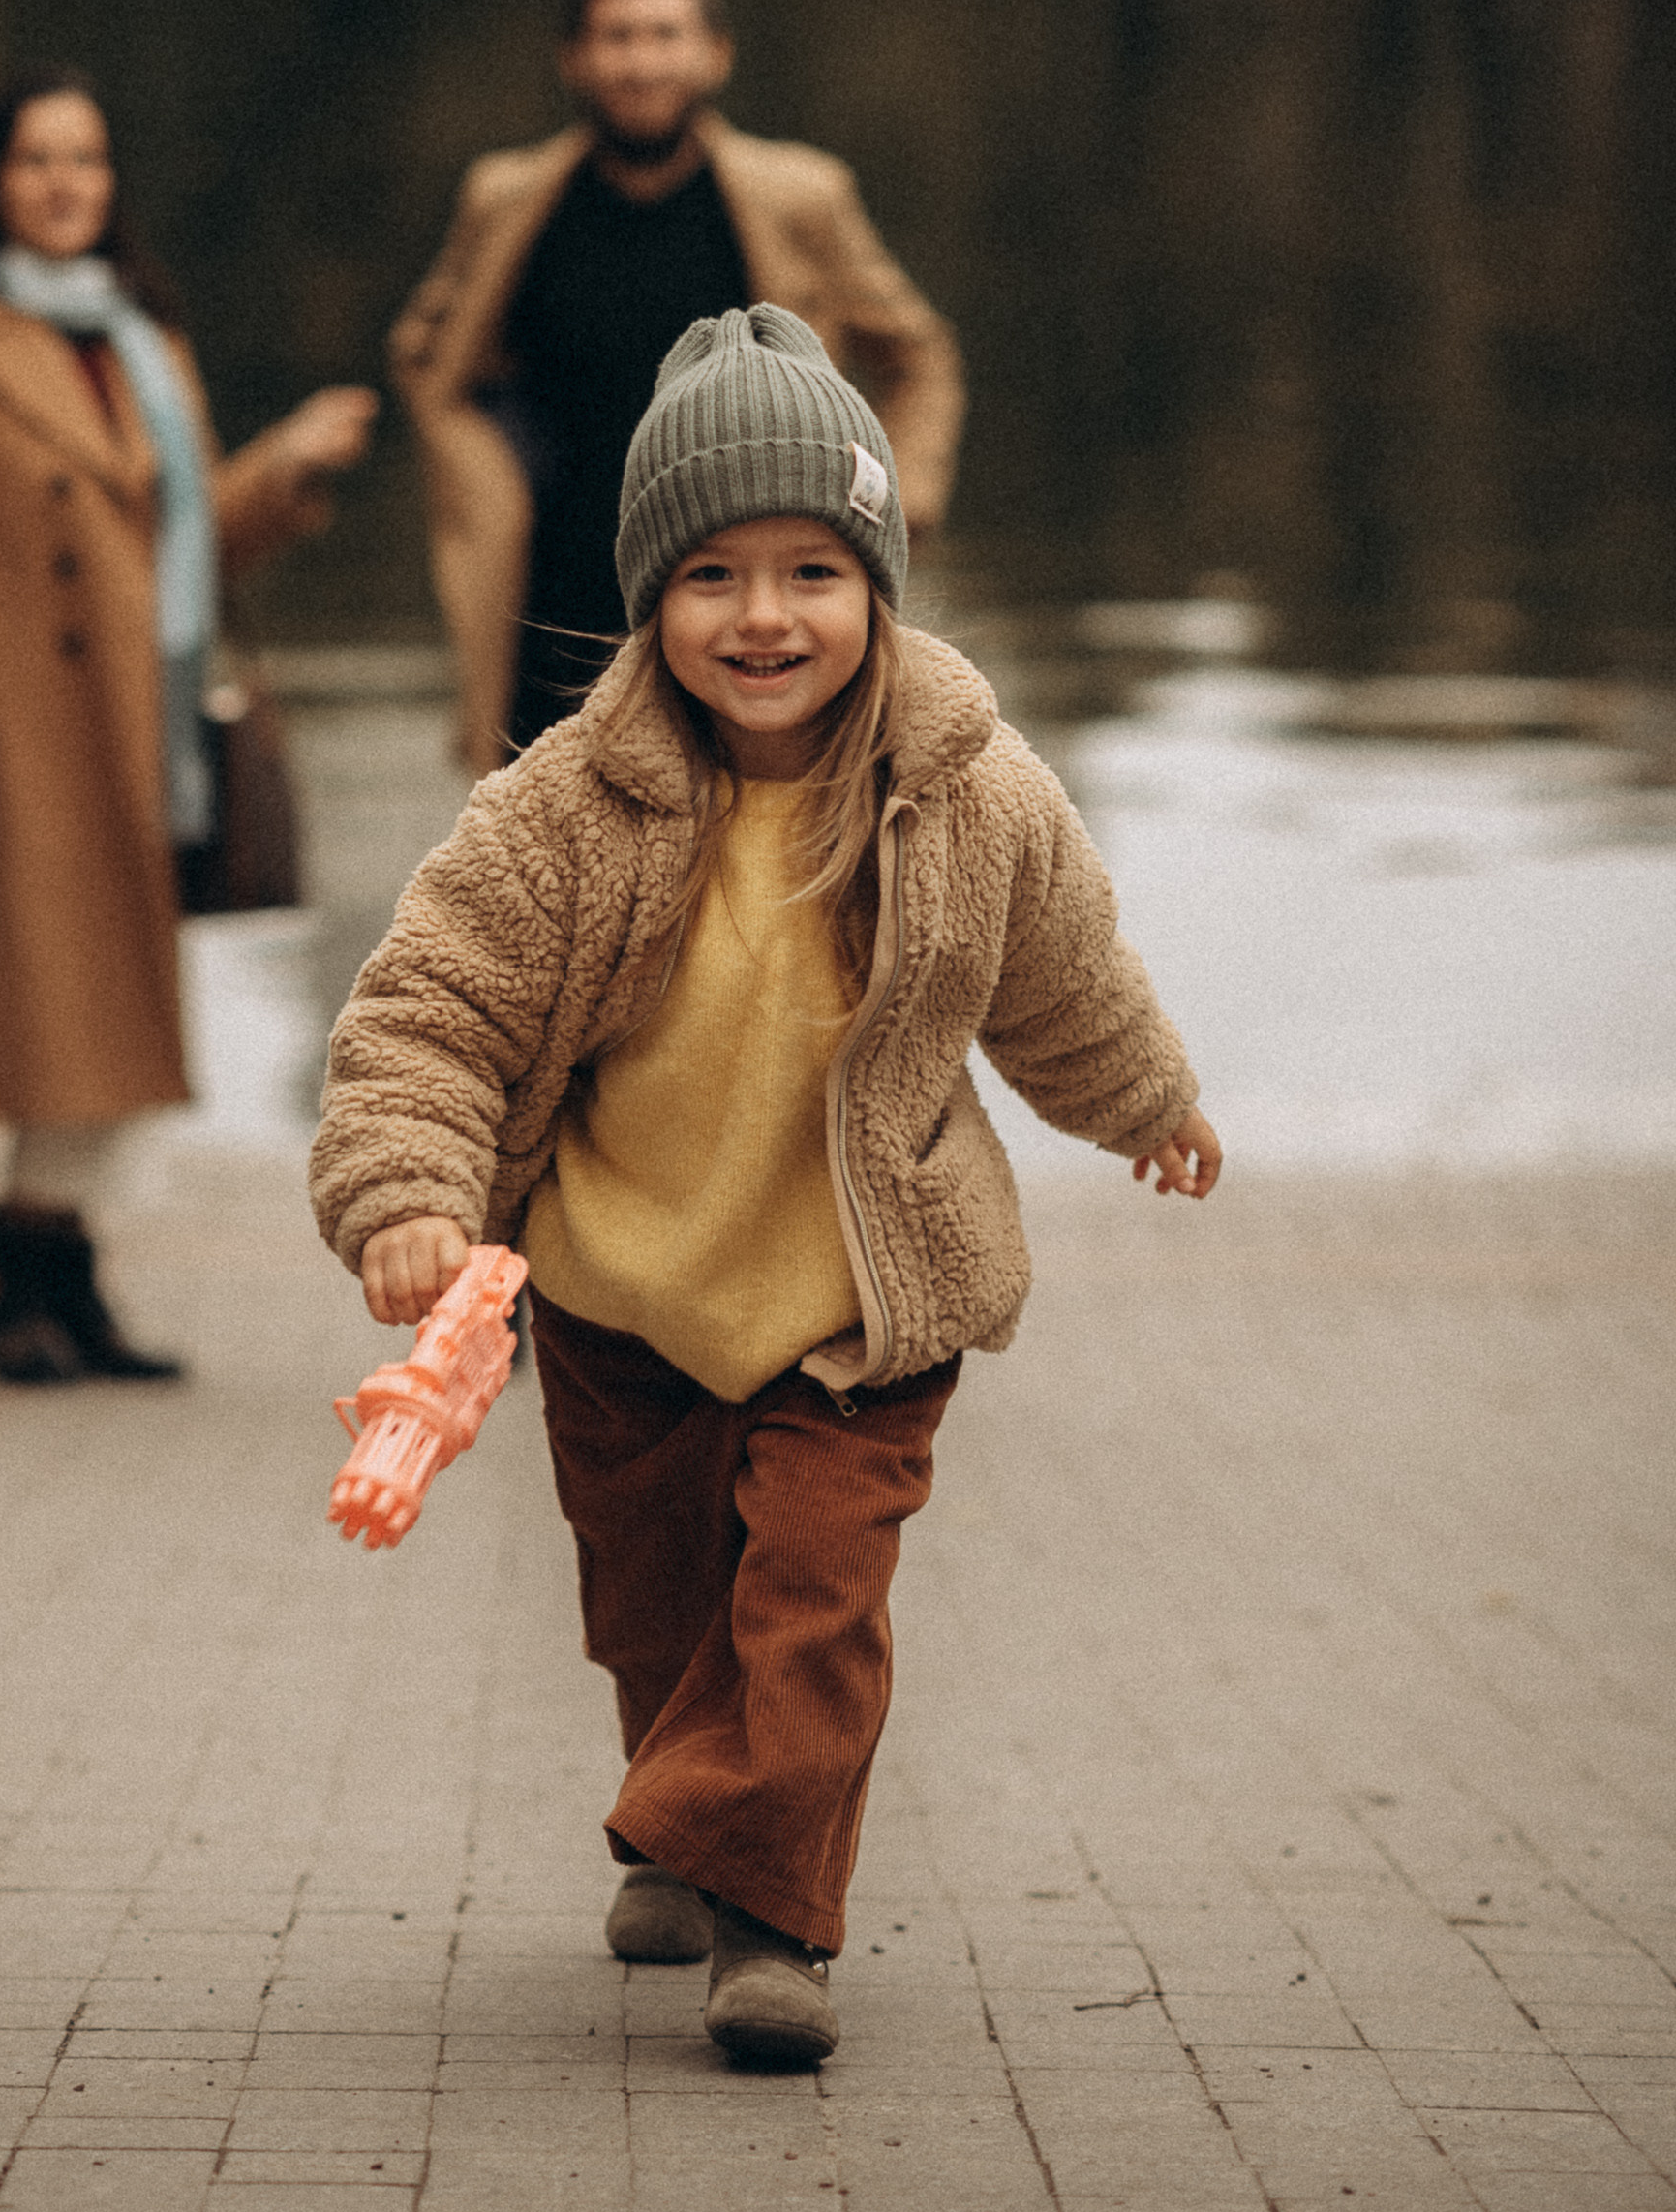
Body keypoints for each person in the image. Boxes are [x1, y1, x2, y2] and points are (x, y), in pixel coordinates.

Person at [311, 306, 1218, 2069]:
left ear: (878, 581)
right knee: (656, 1608)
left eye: (813, 568)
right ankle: (681, 1799)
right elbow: (427, 1012)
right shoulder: (562, 807)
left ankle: (770, 1920)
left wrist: (1143, 1096)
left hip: (855, 1308)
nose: (764, 616)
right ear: (652, 596)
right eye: (712, 574)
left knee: (804, 1608)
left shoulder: (963, 790)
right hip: (622, 1300)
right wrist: (407, 1190)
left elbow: (1063, 972)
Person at [0, 69, 375, 1387]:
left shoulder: (140, 342)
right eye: (37, 160)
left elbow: (189, 535)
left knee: (116, 1028)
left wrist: (288, 468)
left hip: (138, 737)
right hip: (25, 737)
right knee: (56, 1025)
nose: (64, 184)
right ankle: (22, 1281)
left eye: (86, 161)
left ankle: (53, 1282)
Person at [390, 0, 964, 767]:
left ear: (714, 54)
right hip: (556, 601)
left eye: (665, 35)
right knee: (548, 857)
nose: (641, 61)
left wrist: (888, 504)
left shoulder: (799, 196)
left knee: (753, 844)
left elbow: (918, 356)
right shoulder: (507, 199)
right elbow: (425, 355)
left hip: (743, 604)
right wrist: (476, 471)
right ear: (574, 60)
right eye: (617, 37)